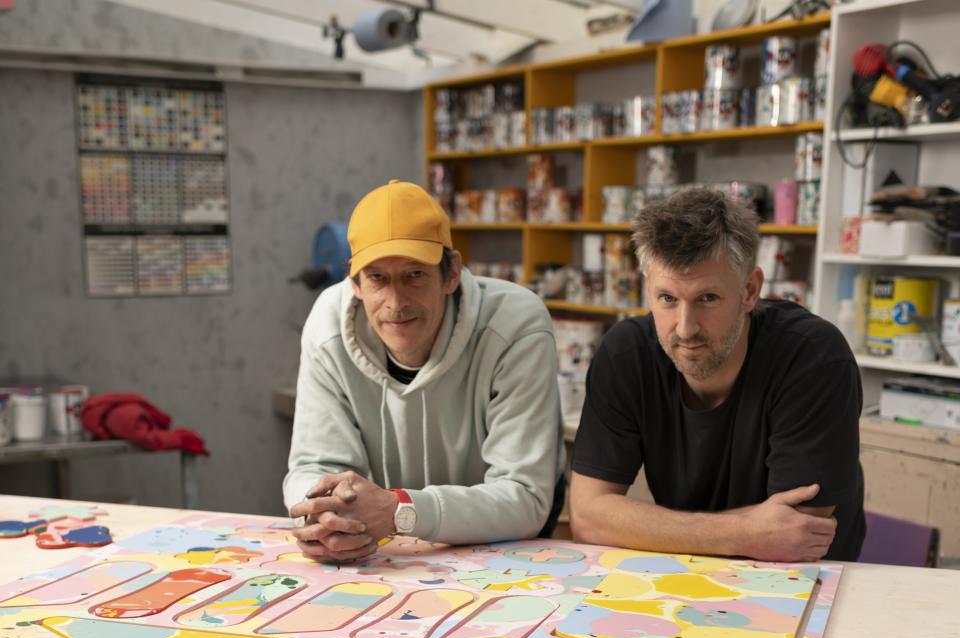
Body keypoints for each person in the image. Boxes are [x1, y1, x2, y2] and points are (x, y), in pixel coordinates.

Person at [569, 186, 865, 562]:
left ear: (750, 291)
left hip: (810, 578)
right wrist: (744, 533)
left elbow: (794, 533)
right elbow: (587, 518)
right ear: (648, 291)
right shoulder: (625, 355)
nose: (685, 328)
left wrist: (648, 527)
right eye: (667, 298)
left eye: (707, 298)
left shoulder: (813, 356)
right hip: (689, 574)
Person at [285, 179, 564, 561]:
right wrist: (327, 519)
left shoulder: (515, 323)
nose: (396, 302)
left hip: (503, 548)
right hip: (383, 547)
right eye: (377, 277)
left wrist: (398, 509)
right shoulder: (327, 323)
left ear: (451, 273)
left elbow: (525, 498)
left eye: (415, 274)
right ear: (355, 282)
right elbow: (314, 467)